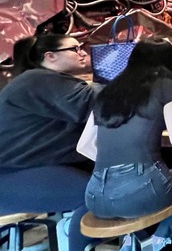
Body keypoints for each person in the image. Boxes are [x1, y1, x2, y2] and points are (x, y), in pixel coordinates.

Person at [81, 39, 172, 251]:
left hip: (95, 196)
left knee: (166, 176)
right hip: (143, 190)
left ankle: (136, 239)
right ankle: (165, 234)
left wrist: (118, 166)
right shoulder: (165, 84)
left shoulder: (108, 90)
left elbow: (85, 146)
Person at [0, 34, 100, 251]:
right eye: (74, 48)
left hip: (29, 168)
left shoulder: (46, 81)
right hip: (9, 177)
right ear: (50, 56)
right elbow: (90, 104)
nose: (83, 52)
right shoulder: (37, 79)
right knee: (96, 194)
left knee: (111, 179)